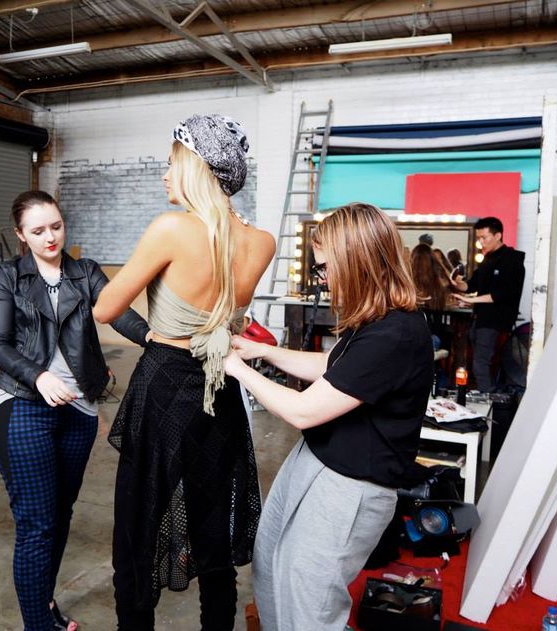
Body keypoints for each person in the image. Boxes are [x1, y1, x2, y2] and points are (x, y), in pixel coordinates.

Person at [92, 114, 276, 630]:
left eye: (172, 165)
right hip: (219, 386)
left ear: (196, 167)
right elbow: (223, 319)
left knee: (136, 527)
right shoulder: (261, 242)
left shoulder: (170, 229)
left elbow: (106, 309)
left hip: (164, 384)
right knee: (212, 529)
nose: (164, 177)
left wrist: (153, 329)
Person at [224, 202, 433, 631]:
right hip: (318, 460)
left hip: (352, 488)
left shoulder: (395, 333)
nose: (322, 278)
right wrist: (263, 351)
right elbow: (332, 367)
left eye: (325, 268)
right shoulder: (373, 320)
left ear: (357, 264)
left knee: (310, 600)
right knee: (271, 561)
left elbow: (303, 411)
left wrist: (237, 368)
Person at [0, 190, 150, 631]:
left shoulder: (84, 273)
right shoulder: (9, 277)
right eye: (38, 231)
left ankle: (43, 603)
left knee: (60, 515)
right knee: (37, 522)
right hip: (23, 405)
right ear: (21, 235)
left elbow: (119, 315)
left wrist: (153, 339)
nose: (50, 237)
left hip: (78, 410)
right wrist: (39, 376)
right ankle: (38, 624)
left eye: (55, 226)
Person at [451, 216, 525, 392]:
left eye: (484, 237)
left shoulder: (512, 260)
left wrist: (471, 300)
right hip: (481, 318)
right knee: (477, 362)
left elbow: (502, 294)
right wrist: (458, 283)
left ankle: (488, 399)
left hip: (496, 321)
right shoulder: (487, 260)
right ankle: (485, 394)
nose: (481, 242)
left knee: (480, 364)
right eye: (479, 238)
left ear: (498, 235)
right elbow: (471, 285)